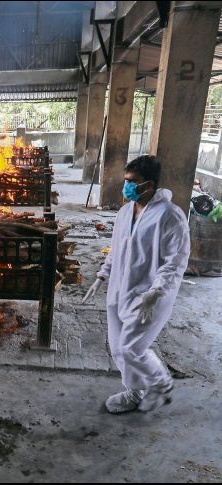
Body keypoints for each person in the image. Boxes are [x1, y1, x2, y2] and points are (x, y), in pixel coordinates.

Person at [82, 155, 190, 414]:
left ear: (149, 185)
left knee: (132, 347)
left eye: (132, 182)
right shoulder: (125, 212)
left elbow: (175, 261)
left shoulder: (170, 216)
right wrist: (102, 275)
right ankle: (135, 391)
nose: (126, 186)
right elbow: (116, 249)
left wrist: (157, 292)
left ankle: (161, 384)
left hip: (147, 294)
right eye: (126, 180)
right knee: (119, 347)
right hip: (119, 288)